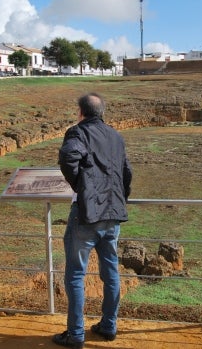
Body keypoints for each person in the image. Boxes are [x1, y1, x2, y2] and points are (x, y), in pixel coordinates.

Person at [53, 93, 133, 348]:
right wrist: (119, 197)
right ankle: (108, 326)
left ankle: (75, 334)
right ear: (101, 112)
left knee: (75, 274)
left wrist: (81, 186)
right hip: (113, 214)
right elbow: (127, 172)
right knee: (110, 272)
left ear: (81, 112)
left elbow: (68, 158)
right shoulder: (115, 136)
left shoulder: (78, 133)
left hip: (87, 214)